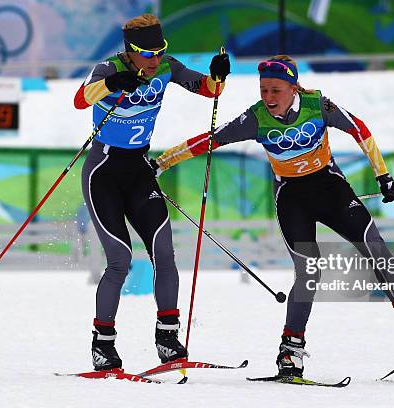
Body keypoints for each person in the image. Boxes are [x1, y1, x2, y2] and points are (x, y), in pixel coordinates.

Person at [152, 55, 394, 378]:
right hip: (292, 199)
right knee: (309, 271)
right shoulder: (256, 118)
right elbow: (208, 140)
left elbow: (359, 129)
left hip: (331, 189)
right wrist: (160, 164)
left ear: (294, 87)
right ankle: (290, 351)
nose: (269, 97)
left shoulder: (317, 105)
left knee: (374, 245)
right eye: (264, 90)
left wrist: (383, 176)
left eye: (276, 90)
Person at [73, 13, 230, 371]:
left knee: (164, 253)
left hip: (140, 172)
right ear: (130, 51)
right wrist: (113, 83)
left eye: (160, 51)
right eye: (147, 53)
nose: (155, 59)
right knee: (120, 260)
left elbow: (209, 89)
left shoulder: (166, 68)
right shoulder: (106, 68)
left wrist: (218, 74)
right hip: (103, 173)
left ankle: (167, 338)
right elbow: (80, 101)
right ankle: (103, 343)